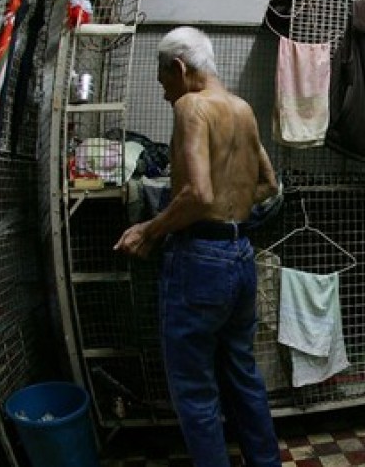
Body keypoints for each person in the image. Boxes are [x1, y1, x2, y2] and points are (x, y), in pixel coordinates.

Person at [114, 26, 282, 467]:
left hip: (200, 260)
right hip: (240, 255)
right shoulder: (242, 108)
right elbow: (268, 184)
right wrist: (234, 207)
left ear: (180, 68)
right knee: (243, 375)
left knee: (194, 390)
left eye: (163, 80)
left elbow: (198, 195)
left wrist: (150, 229)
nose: (165, 91)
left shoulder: (192, 105)